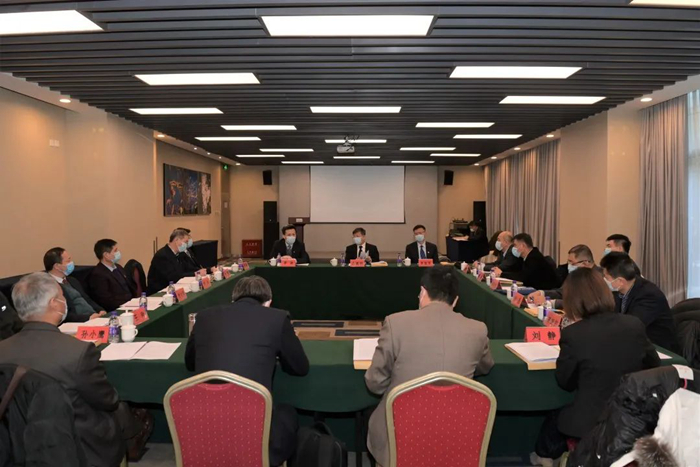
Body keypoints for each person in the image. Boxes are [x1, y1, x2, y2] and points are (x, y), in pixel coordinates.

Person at [0, 273, 152, 467]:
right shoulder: (78, 352)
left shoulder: (3, 350)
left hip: (14, 444)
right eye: (62, 296)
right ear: (54, 304)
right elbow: (108, 399)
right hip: (75, 444)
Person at [365, 266, 494, 467]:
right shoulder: (478, 329)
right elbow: (485, 367)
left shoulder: (395, 323)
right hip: (458, 434)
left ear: (422, 292)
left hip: (400, 434)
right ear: (455, 300)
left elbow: (375, 383)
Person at [533, 268, 660, 463]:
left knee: (555, 416)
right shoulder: (634, 324)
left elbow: (565, 382)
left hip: (589, 424)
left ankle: (545, 455)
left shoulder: (574, 334)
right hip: (630, 421)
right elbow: (653, 365)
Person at [185, 276, 309, 467]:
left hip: (204, 428)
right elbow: (300, 367)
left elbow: (190, 363)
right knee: (288, 414)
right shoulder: (277, 318)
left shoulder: (203, 317)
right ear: (268, 302)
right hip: (255, 433)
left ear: (233, 299)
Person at [600, 252, 676, 350]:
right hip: (632, 343)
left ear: (620, 281)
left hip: (658, 349)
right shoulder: (619, 291)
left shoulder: (649, 295)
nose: (603, 280)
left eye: (606, 277)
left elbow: (631, 326)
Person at [527, 244, 601, 308]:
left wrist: (551, 303)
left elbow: (583, 304)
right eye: (568, 262)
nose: (569, 266)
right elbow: (562, 292)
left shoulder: (599, 278)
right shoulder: (575, 274)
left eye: (572, 263)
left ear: (585, 263)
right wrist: (541, 293)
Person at [44, 247, 106, 322]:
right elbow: (62, 315)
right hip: (78, 322)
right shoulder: (49, 286)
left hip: (93, 318)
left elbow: (86, 299)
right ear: (57, 266)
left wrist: (100, 310)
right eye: (68, 261)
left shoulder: (72, 280)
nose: (71, 263)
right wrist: (88, 318)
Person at [494, 233, 559, 290]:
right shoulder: (523, 257)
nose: (513, 248)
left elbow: (522, 277)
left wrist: (502, 274)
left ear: (523, 246)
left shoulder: (534, 257)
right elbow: (515, 270)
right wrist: (501, 272)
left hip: (545, 290)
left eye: (515, 245)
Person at [88, 239, 136, 312]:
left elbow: (129, 289)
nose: (118, 253)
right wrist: (127, 305)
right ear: (106, 255)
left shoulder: (118, 267)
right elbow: (106, 301)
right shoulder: (98, 274)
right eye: (115, 251)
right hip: (116, 310)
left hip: (131, 305)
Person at [147, 229, 201, 294]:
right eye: (185, 242)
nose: (186, 245)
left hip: (176, 287)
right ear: (176, 240)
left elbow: (188, 268)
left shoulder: (180, 254)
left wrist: (204, 271)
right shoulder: (162, 255)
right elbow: (173, 277)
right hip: (160, 291)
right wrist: (195, 273)